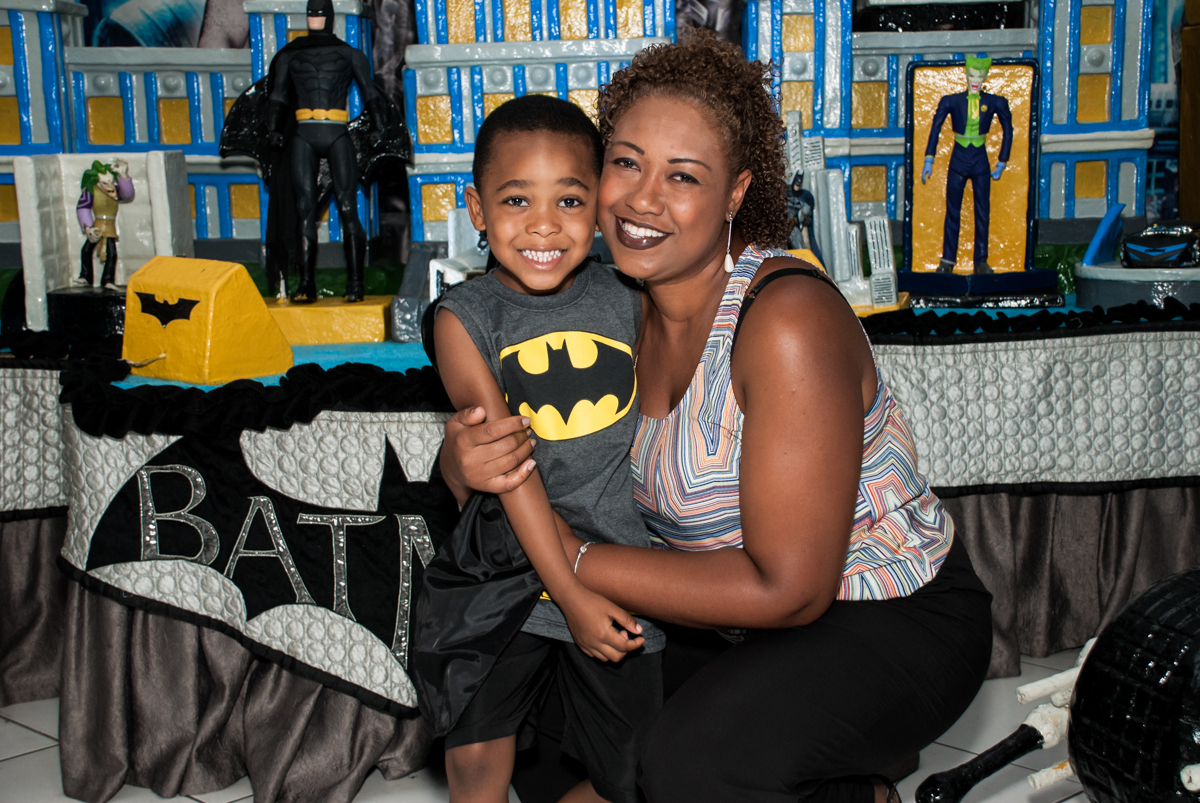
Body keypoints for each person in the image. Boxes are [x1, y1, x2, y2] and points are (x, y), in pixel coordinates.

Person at [438, 30, 994, 803]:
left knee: (685, 768)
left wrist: (571, 563)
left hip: (883, 612)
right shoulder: (611, 310)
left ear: (735, 194)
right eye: (626, 163)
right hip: (726, 619)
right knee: (547, 739)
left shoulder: (783, 319)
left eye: (684, 177)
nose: (643, 199)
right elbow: (529, 471)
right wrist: (461, 464)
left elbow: (789, 588)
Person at [415, 95, 664, 803]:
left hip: (622, 563)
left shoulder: (630, 293)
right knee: (475, 758)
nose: (545, 225)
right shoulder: (466, 319)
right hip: (507, 568)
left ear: (600, 205)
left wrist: (596, 591)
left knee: (638, 777)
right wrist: (571, 593)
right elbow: (511, 468)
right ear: (476, 207)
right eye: (517, 199)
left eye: (570, 200)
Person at [265, 0, 387, 302]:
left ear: (329, 17)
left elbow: (370, 92)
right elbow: (278, 96)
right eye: (312, 12)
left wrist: (380, 126)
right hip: (304, 132)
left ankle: (356, 282)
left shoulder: (349, 54)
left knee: (348, 208)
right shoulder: (290, 56)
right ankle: (306, 284)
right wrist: (272, 129)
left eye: (320, 12)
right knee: (304, 208)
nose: (315, 17)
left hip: (337, 132)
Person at [921, 55, 1013, 275]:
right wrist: (929, 158)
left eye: (980, 75)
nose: (975, 79)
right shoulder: (951, 101)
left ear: (984, 77)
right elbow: (936, 128)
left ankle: (981, 260)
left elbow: (1008, 130)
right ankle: (948, 260)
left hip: (980, 158)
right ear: (966, 74)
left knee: (983, 211)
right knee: (953, 210)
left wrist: (1002, 160)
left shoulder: (995, 101)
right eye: (972, 74)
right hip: (958, 157)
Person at [75, 159, 133, 289]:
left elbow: (128, 195)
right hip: (98, 224)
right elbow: (83, 208)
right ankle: (85, 276)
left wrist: (123, 176)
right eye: (105, 182)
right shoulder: (91, 191)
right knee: (86, 250)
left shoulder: (115, 191)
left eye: (111, 181)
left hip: (110, 225)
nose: (109, 184)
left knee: (111, 253)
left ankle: (108, 279)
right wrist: (89, 227)